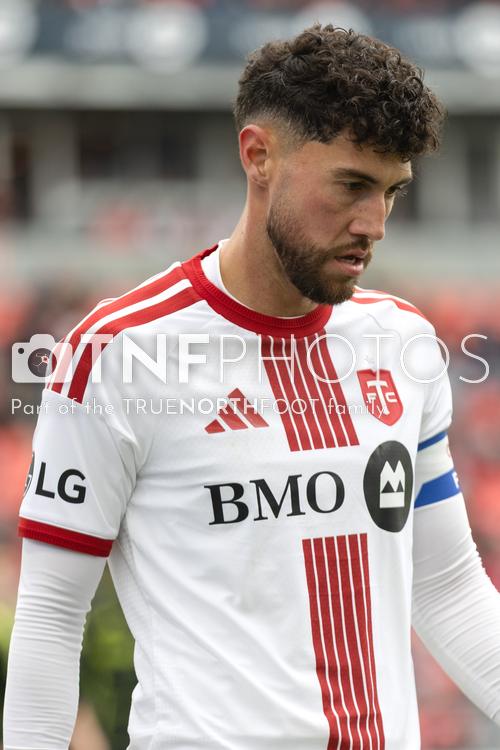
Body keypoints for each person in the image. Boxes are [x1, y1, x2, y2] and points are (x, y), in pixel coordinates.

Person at [4, 24, 500, 750]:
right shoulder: (118, 354)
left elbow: (447, 586)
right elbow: (51, 616)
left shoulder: (402, 343)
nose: (375, 224)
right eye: (352, 186)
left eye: (392, 191)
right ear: (258, 155)